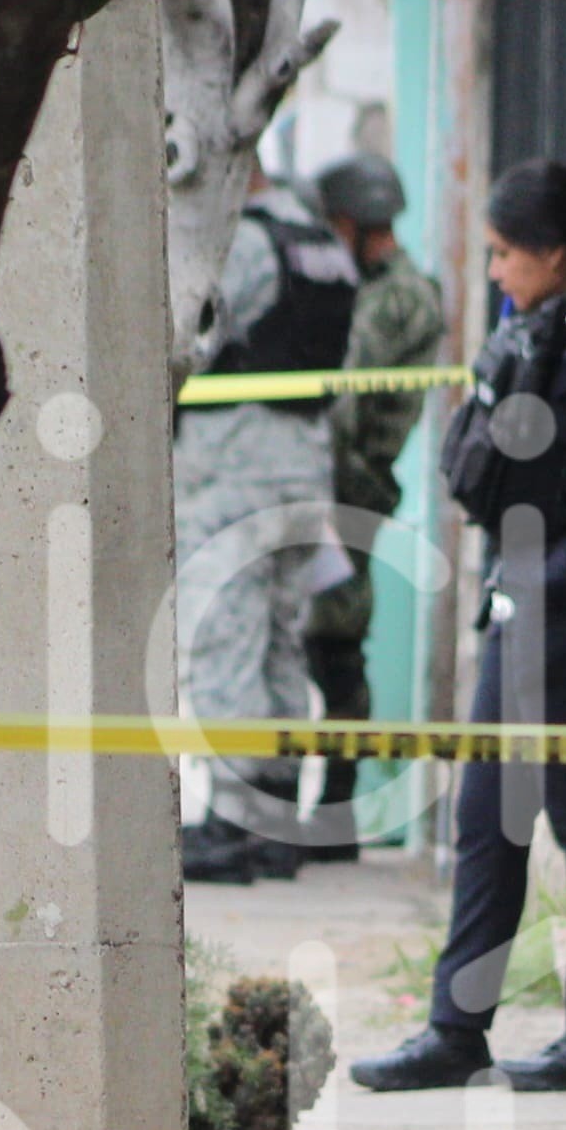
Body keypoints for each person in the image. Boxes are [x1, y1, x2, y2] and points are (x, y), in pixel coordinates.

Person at [347, 160, 566, 1095]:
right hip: (538, 606)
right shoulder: (554, 325)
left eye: (503, 252)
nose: (495, 269)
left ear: (553, 252)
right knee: (489, 816)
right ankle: (460, 1028)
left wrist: (548, 583)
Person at [176, 171, 359, 885]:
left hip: (233, 468)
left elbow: (188, 334)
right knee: (283, 640)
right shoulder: (320, 243)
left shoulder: (245, 244)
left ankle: (233, 823)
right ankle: (278, 819)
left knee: (227, 635)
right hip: (302, 469)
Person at [298, 153, 444, 861]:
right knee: (317, 637)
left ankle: (336, 810)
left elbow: (347, 397)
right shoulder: (380, 286)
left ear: (352, 223)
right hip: (340, 479)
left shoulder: (399, 295)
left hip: (349, 483)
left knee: (334, 642)